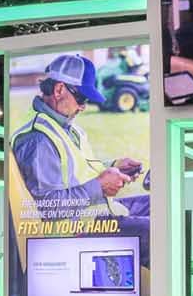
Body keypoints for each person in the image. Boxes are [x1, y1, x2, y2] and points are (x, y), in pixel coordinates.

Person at [10, 54, 144, 220]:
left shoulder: (64, 126)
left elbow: (76, 169)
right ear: (59, 90)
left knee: (155, 206)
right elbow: (47, 208)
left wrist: (114, 166)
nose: (83, 107)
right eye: (81, 98)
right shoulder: (38, 139)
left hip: (96, 217)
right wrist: (100, 186)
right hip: (76, 233)